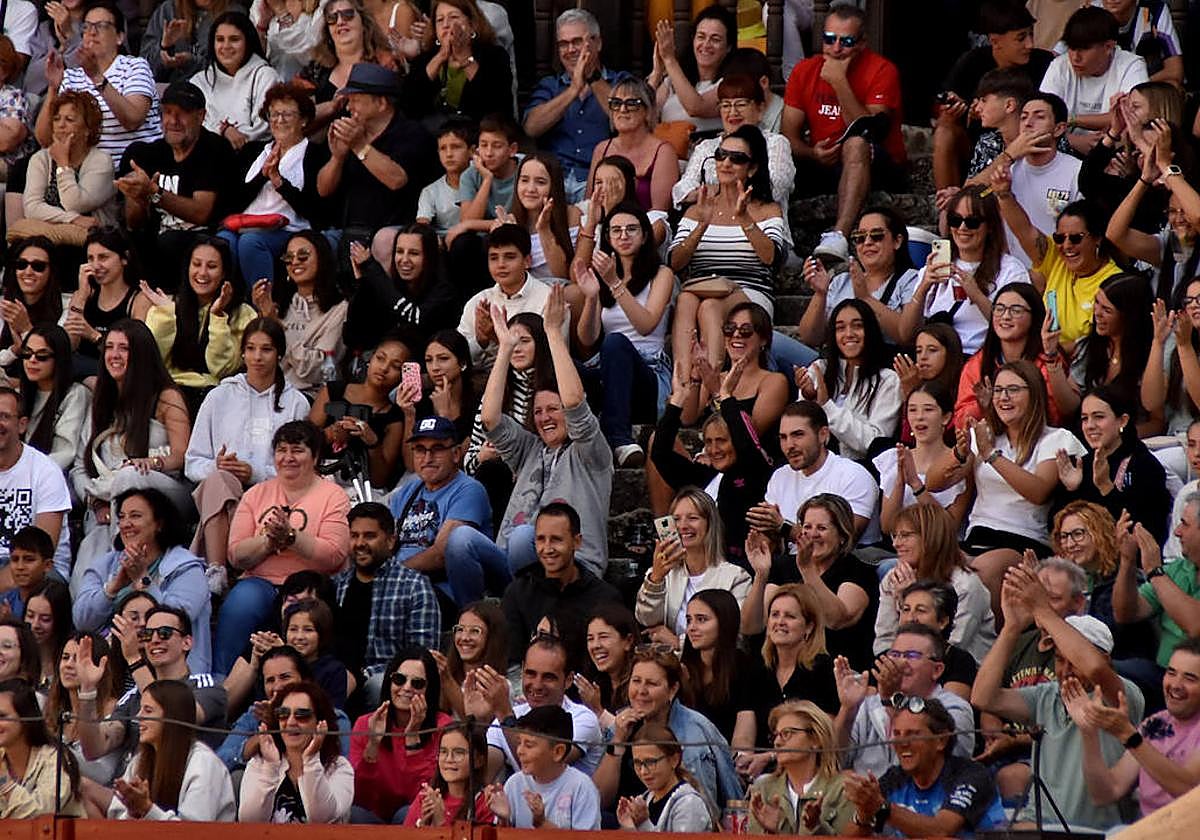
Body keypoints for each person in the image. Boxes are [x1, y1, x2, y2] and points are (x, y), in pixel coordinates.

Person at [448, 287, 610, 582]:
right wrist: (504, 348)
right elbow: (491, 418)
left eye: (553, 409)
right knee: (460, 540)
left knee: (524, 535)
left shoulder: (591, 451)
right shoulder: (530, 449)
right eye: (538, 411)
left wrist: (553, 332)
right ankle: (474, 609)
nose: (545, 417)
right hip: (513, 560)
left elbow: (574, 401)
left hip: (574, 564)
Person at [972, 563, 1145, 830]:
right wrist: (1011, 628)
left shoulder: (1121, 694)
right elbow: (983, 698)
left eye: (1073, 661)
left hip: (1095, 831)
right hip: (1039, 824)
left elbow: (1095, 669)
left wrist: (1042, 609)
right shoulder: (1048, 695)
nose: (1064, 670)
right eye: (1059, 659)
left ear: (1106, 659)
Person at [215, 420, 350, 675]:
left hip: (310, 585)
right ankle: (221, 681)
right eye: (281, 450)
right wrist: (269, 541)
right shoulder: (256, 494)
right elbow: (236, 554)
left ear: (315, 456)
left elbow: (334, 555)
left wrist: (291, 537)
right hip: (261, 581)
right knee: (241, 602)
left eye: (297, 450)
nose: (288, 458)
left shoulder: (333, 495)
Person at [185, 318, 309, 580]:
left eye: (266, 349)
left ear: (279, 354)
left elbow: (301, 470)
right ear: (242, 353)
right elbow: (192, 463)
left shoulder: (296, 403)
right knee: (219, 480)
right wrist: (217, 466)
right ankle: (217, 571)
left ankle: (231, 566)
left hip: (272, 496)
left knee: (225, 486)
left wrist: (255, 473)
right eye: (251, 349)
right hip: (220, 491)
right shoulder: (218, 397)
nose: (257, 357)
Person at [934, 361, 1085, 577]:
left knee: (982, 570)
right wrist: (959, 452)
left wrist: (991, 455)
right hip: (978, 535)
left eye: (1013, 390)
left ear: (1034, 394)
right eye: (998, 390)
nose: (1003, 397)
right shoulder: (986, 435)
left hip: (1024, 541)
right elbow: (934, 483)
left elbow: (1038, 492)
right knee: (931, 566)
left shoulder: (1057, 438)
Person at [781, 3, 905, 262]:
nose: (836, 48)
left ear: (862, 43)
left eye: (846, 41)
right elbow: (788, 136)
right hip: (824, 162)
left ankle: (839, 236)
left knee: (856, 143)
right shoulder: (805, 70)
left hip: (878, 162)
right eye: (829, 39)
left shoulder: (882, 70)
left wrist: (839, 81)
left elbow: (869, 130)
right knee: (773, 152)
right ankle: (778, 241)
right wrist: (813, 153)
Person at [71, 320, 194, 578]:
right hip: (108, 500)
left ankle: (123, 565)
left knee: (129, 475)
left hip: (165, 492)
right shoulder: (100, 400)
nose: (114, 355)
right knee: (90, 551)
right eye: (109, 347)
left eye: (124, 348)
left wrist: (153, 463)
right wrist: (95, 503)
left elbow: (182, 455)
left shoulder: (166, 396)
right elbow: (80, 468)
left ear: (141, 354)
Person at [669, 125, 788, 365]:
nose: (726, 163)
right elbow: (674, 262)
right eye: (721, 155)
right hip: (702, 291)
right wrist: (702, 225)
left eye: (737, 158)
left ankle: (712, 380)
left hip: (750, 294)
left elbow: (771, 258)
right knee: (687, 300)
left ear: (752, 168)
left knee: (709, 307)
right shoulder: (698, 208)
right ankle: (681, 379)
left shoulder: (767, 210)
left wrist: (745, 219)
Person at [650, 351, 776, 567]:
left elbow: (747, 444)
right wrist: (677, 400)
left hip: (740, 568)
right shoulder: (703, 477)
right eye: (708, 442)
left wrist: (725, 395)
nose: (714, 449)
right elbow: (660, 453)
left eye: (721, 441)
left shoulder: (754, 472)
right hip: (698, 566)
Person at [572, 201, 673, 465]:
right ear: (607, 237)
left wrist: (614, 283)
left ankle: (619, 439)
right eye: (616, 230)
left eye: (631, 229)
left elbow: (646, 325)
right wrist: (592, 297)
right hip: (608, 371)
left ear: (645, 235)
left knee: (616, 342)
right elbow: (587, 340)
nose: (623, 236)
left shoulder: (661, 274)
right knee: (563, 365)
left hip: (647, 375)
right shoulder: (604, 276)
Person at [73, 488, 212, 672]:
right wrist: (112, 588)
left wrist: (142, 578)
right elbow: (82, 621)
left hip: (175, 674)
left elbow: (175, 621)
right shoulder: (104, 565)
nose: (125, 524)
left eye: (135, 516)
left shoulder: (187, 568)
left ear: (159, 524)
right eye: (121, 517)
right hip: (113, 669)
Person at [593, 646, 742, 814]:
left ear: (672, 690)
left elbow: (699, 814)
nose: (641, 691)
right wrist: (618, 741)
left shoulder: (693, 735)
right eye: (636, 681)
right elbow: (598, 801)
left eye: (652, 683)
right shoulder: (623, 723)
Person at [1063, 637, 1200, 819]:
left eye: (1190, 678)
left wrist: (1128, 735)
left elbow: (1187, 791)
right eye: (1171, 673)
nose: (1175, 685)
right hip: (1147, 829)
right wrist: (1088, 732)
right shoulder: (1156, 722)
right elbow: (1106, 792)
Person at [115, 81, 235, 286]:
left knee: (169, 241)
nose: (173, 121)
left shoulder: (214, 149)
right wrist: (137, 196)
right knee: (122, 242)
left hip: (204, 237)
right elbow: (134, 223)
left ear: (201, 116)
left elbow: (201, 213)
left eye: (182, 113)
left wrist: (154, 192)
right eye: (167, 112)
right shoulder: (149, 153)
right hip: (159, 238)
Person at [316, 62, 437, 252]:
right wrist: (337, 158)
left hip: (394, 232)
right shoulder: (350, 131)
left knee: (383, 241)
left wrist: (359, 146)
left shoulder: (412, 134)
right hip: (348, 230)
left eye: (356, 100)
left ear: (381, 103)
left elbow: (397, 179)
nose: (349, 107)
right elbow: (323, 190)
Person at [842, 697, 1005, 836]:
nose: (902, 743)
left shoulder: (971, 774)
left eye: (913, 734)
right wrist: (864, 813)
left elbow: (941, 831)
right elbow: (849, 836)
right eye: (897, 734)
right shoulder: (895, 777)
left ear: (941, 740)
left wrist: (881, 808)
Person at [898, 184, 1031, 356]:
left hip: (979, 359)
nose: (962, 228)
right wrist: (923, 287)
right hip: (936, 360)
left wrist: (976, 295)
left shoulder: (1011, 270)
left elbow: (1016, 329)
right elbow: (906, 334)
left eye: (972, 222)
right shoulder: (935, 266)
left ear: (990, 226)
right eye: (955, 220)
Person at [933, 2, 1054, 189]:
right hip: (975, 144)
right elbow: (945, 109)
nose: (1030, 44)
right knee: (944, 130)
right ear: (995, 41)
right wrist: (957, 112)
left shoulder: (1045, 63)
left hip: (1025, 141)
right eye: (1021, 38)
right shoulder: (971, 62)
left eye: (1031, 34)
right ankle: (947, 202)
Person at [219, 81, 329, 287]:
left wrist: (279, 182)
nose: (279, 120)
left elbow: (315, 211)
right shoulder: (252, 151)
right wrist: (263, 175)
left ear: (304, 119)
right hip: (245, 224)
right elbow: (233, 201)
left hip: (290, 229)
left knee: (251, 242)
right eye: (274, 114)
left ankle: (262, 302)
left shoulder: (316, 155)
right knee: (220, 243)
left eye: (287, 114)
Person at [833, 623, 976, 778]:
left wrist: (891, 702)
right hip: (859, 791)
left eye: (912, 656)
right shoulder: (868, 705)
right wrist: (848, 709)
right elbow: (834, 761)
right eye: (895, 654)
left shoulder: (956, 709)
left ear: (937, 670)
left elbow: (933, 770)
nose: (900, 663)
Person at [993, 188, 1122, 351]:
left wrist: (1048, 350)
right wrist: (1004, 194)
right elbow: (1024, 230)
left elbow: (1102, 344)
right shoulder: (1056, 259)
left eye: (1075, 238)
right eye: (1059, 238)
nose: (1066, 246)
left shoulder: (1113, 282)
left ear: (1097, 238)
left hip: (1081, 363)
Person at [37, 1, 161, 168]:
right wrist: (53, 87)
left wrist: (97, 77)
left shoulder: (134, 66)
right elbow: (44, 139)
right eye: (86, 27)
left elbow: (133, 119)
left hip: (131, 167)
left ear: (120, 37)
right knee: (34, 162)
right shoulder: (71, 75)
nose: (92, 32)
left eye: (101, 26)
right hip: (85, 169)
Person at [383, 413, 490, 604]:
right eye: (420, 449)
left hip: (443, 589)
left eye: (437, 448)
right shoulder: (407, 490)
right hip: (401, 584)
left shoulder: (469, 489)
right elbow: (385, 542)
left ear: (456, 454)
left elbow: (442, 554)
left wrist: (392, 574)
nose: (427, 458)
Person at [333, 501, 440, 689]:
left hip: (386, 681)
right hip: (338, 678)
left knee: (377, 685)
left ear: (391, 541)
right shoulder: (336, 585)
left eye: (369, 536)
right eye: (354, 536)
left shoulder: (414, 586)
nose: (360, 543)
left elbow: (421, 659)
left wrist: (360, 676)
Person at [144, 235, 258, 404]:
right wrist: (166, 314)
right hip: (172, 393)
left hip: (218, 396)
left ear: (224, 272)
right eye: (196, 264)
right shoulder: (167, 306)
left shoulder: (243, 314)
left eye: (211, 266)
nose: (202, 273)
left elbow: (222, 370)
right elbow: (151, 360)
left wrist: (217, 316)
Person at [876, 504, 997, 664]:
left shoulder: (965, 585)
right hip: (902, 669)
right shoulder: (894, 579)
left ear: (931, 537)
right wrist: (890, 667)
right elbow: (883, 640)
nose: (896, 544)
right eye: (895, 536)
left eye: (905, 535)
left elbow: (952, 647)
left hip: (960, 671)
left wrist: (907, 599)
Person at [523, 9, 620, 202]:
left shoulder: (620, 82)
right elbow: (531, 128)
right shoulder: (550, 85)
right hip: (552, 181)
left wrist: (592, 77)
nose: (570, 50)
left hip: (598, 182)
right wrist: (573, 90)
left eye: (577, 42)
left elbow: (623, 117)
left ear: (598, 43)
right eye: (563, 44)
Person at [502, 503, 619, 665]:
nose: (547, 549)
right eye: (541, 539)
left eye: (556, 540)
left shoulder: (604, 597)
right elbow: (511, 661)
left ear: (577, 542)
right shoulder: (518, 593)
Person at [752, 401, 881, 546]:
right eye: (783, 437)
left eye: (798, 435)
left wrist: (784, 528)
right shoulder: (780, 476)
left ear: (823, 435)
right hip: (790, 559)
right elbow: (769, 537)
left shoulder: (853, 476)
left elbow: (840, 543)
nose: (789, 445)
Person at [105, 679, 236, 820]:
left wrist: (147, 809)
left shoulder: (204, 763)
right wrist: (132, 811)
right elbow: (116, 818)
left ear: (172, 717)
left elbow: (195, 829)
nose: (138, 717)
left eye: (148, 710)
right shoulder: (139, 761)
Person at [953, 282, 1078, 428]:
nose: (1005, 316)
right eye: (999, 309)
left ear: (1034, 316)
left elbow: (1061, 412)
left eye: (1016, 310)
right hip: (991, 438)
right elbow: (960, 421)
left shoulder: (1048, 358)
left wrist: (1002, 403)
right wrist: (982, 407)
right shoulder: (978, 363)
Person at [635, 488, 751, 645]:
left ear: (710, 524)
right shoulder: (661, 573)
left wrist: (677, 642)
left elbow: (733, 635)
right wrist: (655, 580)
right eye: (676, 519)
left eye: (693, 518)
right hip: (668, 660)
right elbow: (646, 619)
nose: (683, 526)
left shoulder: (736, 577)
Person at [350, 647, 452, 823]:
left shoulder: (443, 726)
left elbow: (427, 795)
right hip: (374, 818)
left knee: (406, 813)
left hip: (416, 818)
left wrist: (413, 738)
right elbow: (360, 797)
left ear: (430, 689)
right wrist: (373, 744)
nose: (406, 688)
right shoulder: (365, 723)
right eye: (399, 679)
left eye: (417, 683)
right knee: (354, 814)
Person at [672, 73, 797, 216]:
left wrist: (715, 190)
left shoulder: (775, 143)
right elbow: (681, 190)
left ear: (760, 108)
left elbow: (776, 187)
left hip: (761, 222)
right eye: (725, 105)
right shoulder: (707, 147)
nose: (732, 112)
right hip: (710, 223)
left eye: (741, 104)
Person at [1057, 386, 1171, 542]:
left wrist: (1106, 487)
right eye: (1084, 419)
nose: (1090, 425)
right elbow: (1056, 527)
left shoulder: (1145, 465)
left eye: (1098, 417)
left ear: (1122, 421)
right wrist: (1073, 490)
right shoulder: (1082, 463)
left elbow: (1142, 529)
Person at [798, 206, 918, 347]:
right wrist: (820, 294)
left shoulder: (911, 279)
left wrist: (865, 298)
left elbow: (907, 336)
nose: (867, 242)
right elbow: (810, 338)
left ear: (897, 241)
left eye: (876, 235)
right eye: (860, 237)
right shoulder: (841, 281)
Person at [239, 679, 355, 823]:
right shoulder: (260, 763)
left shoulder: (338, 767)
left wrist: (311, 761)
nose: (291, 722)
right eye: (283, 714)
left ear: (320, 722)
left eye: (302, 715)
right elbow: (248, 821)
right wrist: (270, 767)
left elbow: (323, 820)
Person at [798, 299, 901, 462]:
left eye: (857, 326)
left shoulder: (888, 380)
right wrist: (807, 398)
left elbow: (875, 442)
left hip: (860, 468)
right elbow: (798, 430)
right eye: (840, 328)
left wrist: (827, 406)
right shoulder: (820, 369)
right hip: (815, 466)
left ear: (870, 331)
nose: (849, 334)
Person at [12, 90, 116, 245]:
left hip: (91, 242)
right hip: (49, 238)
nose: (61, 125)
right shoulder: (41, 158)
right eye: (56, 119)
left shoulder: (101, 162)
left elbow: (75, 204)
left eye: (69, 120)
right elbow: (32, 207)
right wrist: (73, 219)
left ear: (87, 129)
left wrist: (63, 165)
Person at [1040, 6, 1149, 155]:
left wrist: (1071, 119)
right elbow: (1040, 117)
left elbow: (1132, 118)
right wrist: (1072, 141)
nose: (1075, 57)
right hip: (1064, 152)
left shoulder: (1132, 65)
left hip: (1117, 153)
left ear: (1108, 47)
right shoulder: (1060, 65)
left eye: (1084, 49)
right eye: (1071, 48)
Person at [253, 231, 348, 395]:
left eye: (303, 256)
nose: (295, 262)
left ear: (322, 259)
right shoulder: (278, 304)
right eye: (289, 258)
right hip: (267, 391)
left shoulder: (340, 309)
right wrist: (262, 317)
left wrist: (277, 326)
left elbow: (317, 370)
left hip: (309, 395)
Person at [1114, 492, 1200, 674]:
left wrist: (1154, 571)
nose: (1177, 532)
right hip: (1162, 674)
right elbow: (1126, 613)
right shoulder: (1177, 570)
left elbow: (1196, 626)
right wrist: (1127, 561)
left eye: (1185, 524)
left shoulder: (1162, 575)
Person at [309, 334, 408, 492]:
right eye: (380, 358)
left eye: (395, 366)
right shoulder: (334, 391)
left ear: (404, 376)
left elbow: (379, 480)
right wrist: (331, 433)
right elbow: (303, 441)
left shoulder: (393, 417)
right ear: (370, 360)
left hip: (361, 490)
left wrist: (372, 442)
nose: (384, 368)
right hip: (317, 480)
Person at [484, 704, 600, 829]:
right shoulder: (514, 784)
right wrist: (503, 818)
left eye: (529, 745)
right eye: (519, 743)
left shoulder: (581, 787)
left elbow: (585, 837)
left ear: (558, 752)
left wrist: (542, 823)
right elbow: (503, 834)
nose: (520, 751)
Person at [747, 700, 854, 835]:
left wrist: (816, 828)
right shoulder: (763, 788)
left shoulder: (841, 789)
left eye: (787, 733)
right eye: (776, 736)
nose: (777, 742)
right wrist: (773, 832)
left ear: (816, 739)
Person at [347, 223, 455, 356]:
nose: (404, 260)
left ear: (430, 257)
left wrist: (371, 268)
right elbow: (353, 337)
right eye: (399, 251)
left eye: (414, 253)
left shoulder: (444, 291)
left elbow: (415, 317)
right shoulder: (390, 287)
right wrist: (362, 284)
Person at [401, 0, 513, 127]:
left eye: (454, 17)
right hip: (433, 135)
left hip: (479, 134)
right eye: (440, 20)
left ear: (472, 24)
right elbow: (409, 107)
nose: (446, 25)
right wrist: (440, 57)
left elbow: (494, 106)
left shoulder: (494, 56)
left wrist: (464, 57)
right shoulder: (425, 59)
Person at [877, 385, 970, 534]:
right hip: (899, 545)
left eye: (928, 409)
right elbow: (887, 527)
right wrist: (900, 482)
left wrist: (916, 485)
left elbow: (949, 528)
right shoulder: (894, 458)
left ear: (946, 417)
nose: (919, 417)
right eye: (913, 410)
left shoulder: (960, 462)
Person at [0, 387, 71, 578]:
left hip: (38, 569)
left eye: (4, 416)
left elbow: (40, 552)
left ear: (22, 425)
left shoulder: (45, 471)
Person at [64, 228, 151, 378]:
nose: (95, 266)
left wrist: (94, 335)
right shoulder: (82, 296)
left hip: (117, 372)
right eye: (90, 259)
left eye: (103, 257)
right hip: (82, 369)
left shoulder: (139, 299)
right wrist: (81, 296)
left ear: (124, 258)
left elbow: (135, 352)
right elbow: (69, 346)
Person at [586, 76, 677, 213]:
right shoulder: (602, 149)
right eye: (616, 103)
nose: (622, 109)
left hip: (646, 223)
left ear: (647, 111)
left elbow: (659, 212)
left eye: (631, 103)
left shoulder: (663, 151)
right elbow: (590, 202)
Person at [190, 11, 281, 148]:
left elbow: (265, 128)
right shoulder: (199, 81)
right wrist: (224, 131)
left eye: (234, 39)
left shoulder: (266, 76)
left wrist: (233, 135)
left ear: (248, 42)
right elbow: (193, 124)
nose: (226, 46)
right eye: (220, 39)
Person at [47, 632, 124, 786]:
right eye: (65, 657)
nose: (68, 665)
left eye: (78, 659)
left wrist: (52, 750)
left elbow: (103, 775)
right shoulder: (54, 709)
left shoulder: (115, 709)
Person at [0, 678, 83, 817]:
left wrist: (4, 782)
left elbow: (42, 813)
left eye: (2, 716)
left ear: (25, 718)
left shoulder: (54, 758)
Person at [649, 6, 734, 136]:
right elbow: (642, 113)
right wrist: (656, 73)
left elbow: (696, 108)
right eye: (701, 37)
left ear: (728, 47)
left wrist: (670, 60)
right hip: (666, 145)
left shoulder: (729, 83)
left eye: (715, 39)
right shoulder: (673, 80)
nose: (706, 45)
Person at [305, 0, 393, 127]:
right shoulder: (315, 70)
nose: (340, 22)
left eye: (348, 14)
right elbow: (296, 118)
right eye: (332, 18)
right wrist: (330, 107)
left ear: (363, 23)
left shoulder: (385, 64)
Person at [618, 724, 717, 832]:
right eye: (637, 763)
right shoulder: (646, 799)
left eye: (651, 762)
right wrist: (629, 826)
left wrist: (643, 824)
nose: (643, 771)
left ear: (674, 760)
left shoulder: (690, 804)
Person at [17, 325, 89, 472]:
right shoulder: (18, 395)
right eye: (27, 353)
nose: (32, 360)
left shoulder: (75, 394)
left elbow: (65, 453)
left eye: (42, 356)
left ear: (59, 359)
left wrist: (27, 473)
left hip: (51, 475)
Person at [897, 581, 978, 700]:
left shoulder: (959, 662)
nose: (910, 618)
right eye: (906, 609)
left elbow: (950, 709)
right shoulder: (885, 658)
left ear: (942, 621)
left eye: (921, 610)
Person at [402, 723, 495, 826]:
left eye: (459, 752)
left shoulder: (487, 801)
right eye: (443, 752)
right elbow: (405, 833)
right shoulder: (427, 797)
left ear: (479, 760)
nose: (449, 759)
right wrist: (423, 825)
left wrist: (440, 822)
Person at [508, 152, 580, 281]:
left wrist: (544, 229)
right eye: (524, 180)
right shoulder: (509, 221)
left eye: (540, 182)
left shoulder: (572, 215)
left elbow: (562, 275)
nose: (531, 189)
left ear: (554, 186)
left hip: (561, 289)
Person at [0, 238, 62, 375]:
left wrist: (26, 330)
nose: (28, 271)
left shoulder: (65, 306)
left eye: (38, 266)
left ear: (51, 271)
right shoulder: (4, 305)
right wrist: (14, 350)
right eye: (21, 264)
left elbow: (60, 358)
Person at [436, 600, 508, 719]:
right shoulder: (445, 674)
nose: (465, 637)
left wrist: (447, 679)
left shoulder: (499, 686)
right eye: (460, 629)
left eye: (475, 631)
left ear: (491, 637)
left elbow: (474, 725)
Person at [141, 0, 240, 83]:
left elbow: (231, 68)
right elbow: (143, 68)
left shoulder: (234, 13)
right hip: (167, 91)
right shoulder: (168, 10)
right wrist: (164, 48)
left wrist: (191, 62)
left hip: (213, 91)